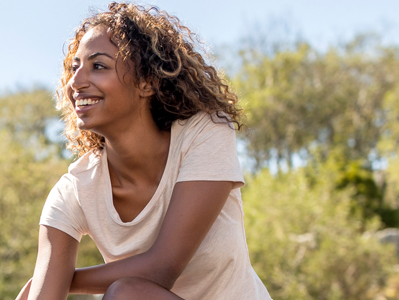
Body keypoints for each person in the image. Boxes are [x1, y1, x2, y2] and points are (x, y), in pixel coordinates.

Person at [16, 2, 271, 299]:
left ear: (147, 82)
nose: (75, 82)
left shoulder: (204, 134)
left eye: (98, 66)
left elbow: (162, 268)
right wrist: (48, 286)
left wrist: (66, 280)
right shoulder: (74, 191)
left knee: (126, 294)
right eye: (74, 68)